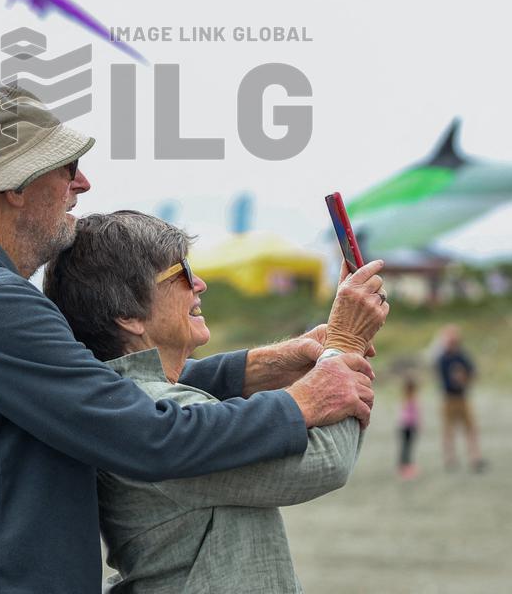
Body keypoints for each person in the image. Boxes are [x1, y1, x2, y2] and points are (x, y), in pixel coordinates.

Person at [0, 86, 386, 594]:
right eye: (67, 168)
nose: (84, 184)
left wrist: (265, 365)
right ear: (15, 184)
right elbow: (147, 433)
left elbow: (102, 397)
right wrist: (310, 393)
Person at [44, 210, 389, 593]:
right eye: (182, 274)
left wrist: (319, 356)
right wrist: (345, 345)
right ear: (128, 315)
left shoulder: (126, 399)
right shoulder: (157, 409)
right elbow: (325, 462)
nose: (200, 284)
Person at [436, 324, 486, 471]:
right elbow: (444, 379)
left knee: (470, 428)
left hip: (462, 398)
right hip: (449, 398)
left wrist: (465, 378)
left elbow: (473, 373)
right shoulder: (443, 359)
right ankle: (450, 458)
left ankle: (475, 457)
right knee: (448, 430)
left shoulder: (462, 356)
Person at [397, 376, 420, 479]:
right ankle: (405, 467)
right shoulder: (410, 399)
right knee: (407, 448)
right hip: (408, 427)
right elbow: (409, 415)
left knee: (407, 447)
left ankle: (405, 466)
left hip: (406, 426)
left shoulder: (406, 398)